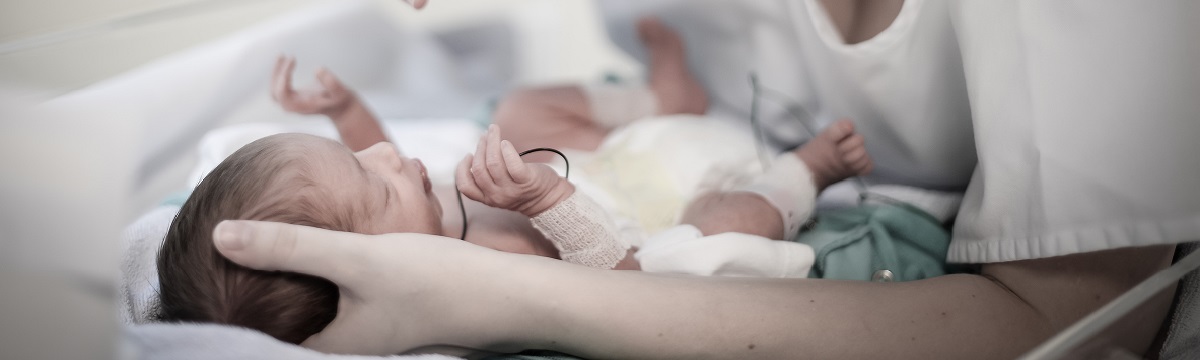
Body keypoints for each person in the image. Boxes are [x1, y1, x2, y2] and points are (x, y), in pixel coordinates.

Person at [195, 0, 1200, 358]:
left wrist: (354, 132)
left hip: (676, 170)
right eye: (373, 186)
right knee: (693, 191)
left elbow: (1079, 323)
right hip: (688, 195)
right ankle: (754, 149)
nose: (387, 158)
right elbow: (626, 260)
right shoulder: (439, 237)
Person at [155, 18, 874, 347]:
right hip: (666, 208)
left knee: (519, 111)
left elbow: (376, 160)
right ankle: (805, 172)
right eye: (372, 189)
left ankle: (662, 99)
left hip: (618, 152)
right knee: (722, 233)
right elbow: (621, 279)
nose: (381, 157)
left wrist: (345, 111)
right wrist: (548, 202)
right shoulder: (477, 275)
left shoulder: (411, 217)